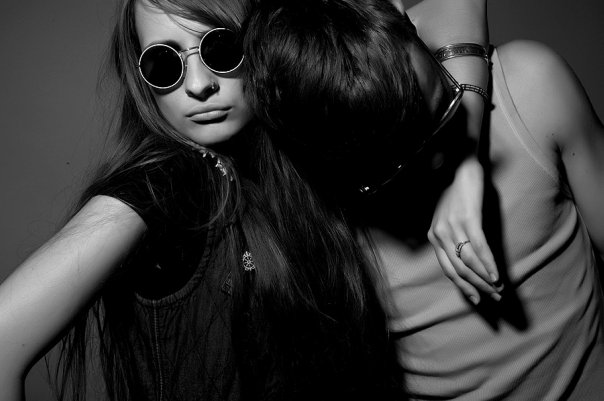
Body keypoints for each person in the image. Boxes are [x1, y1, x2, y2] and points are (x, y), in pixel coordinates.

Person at [0, 0, 493, 400]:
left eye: (221, 48)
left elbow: (441, 9)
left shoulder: (302, 146)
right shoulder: (169, 182)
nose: (199, 86)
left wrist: (464, 160)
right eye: (163, 63)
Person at [244, 0, 604, 399]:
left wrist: (468, 155)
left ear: (407, 21)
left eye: (444, 109)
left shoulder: (529, 87)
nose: (439, 154)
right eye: (399, 159)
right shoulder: (306, 223)